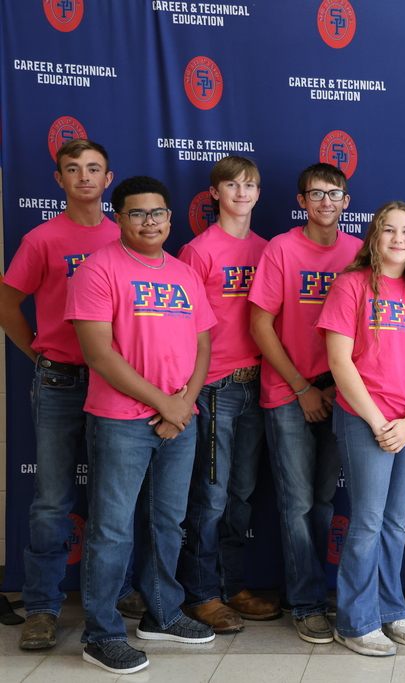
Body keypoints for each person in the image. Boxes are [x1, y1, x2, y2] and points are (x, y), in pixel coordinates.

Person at [66, 176, 218, 674]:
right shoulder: (97, 270)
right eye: (137, 214)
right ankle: (101, 634)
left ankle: (162, 613)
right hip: (120, 421)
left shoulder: (184, 273)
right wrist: (164, 404)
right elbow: (99, 354)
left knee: (167, 523)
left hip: (180, 418)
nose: (149, 222)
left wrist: (184, 404)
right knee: (111, 530)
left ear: (170, 219)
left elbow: (202, 346)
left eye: (157, 214)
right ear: (120, 218)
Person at [0, 139, 143, 651]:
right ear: (58, 179)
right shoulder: (43, 238)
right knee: (51, 500)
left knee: (116, 498)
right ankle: (41, 605)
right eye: (73, 169)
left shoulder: (125, 233)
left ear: (109, 180)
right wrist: (39, 354)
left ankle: (120, 589)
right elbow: (8, 302)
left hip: (116, 381)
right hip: (61, 380)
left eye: (94, 169)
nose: (84, 177)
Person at [319, 201, 405, 656]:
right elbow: (339, 361)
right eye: (388, 230)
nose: (398, 239)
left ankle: (391, 609)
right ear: (374, 237)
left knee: (395, 522)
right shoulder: (352, 286)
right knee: (368, 521)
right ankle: (355, 621)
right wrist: (378, 421)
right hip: (364, 419)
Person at [248, 163, 361, 643]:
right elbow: (259, 325)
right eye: (316, 194)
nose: (326, 202)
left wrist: (335, 388)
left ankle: (315, 589)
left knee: (321, 501)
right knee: (295, 503)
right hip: (288, 392)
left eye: (335, 194)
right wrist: (301, 387)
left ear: (347, 201)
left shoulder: (359, 252)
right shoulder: (281, 249)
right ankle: (307, 602)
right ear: (302, 201)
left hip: (340, 393)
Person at [176, 156, 278, 633]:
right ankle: (201, 594)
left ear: (259, 193)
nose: (242, 191)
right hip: (215, 386)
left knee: (240, 494)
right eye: (232, 184)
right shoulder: (198, 252)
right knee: (211, 497)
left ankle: (231, 584)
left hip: (259, 383)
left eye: (250, 184)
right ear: (214, 192)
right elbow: (181, 328)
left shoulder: (269, 249)